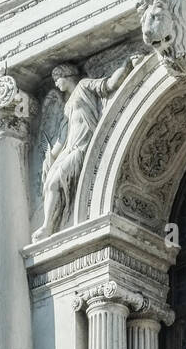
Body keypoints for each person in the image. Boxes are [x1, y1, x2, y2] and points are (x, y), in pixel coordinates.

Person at [33, 59, 134, 242]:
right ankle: (47, 224)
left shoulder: (84, 85)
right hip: (70, 148)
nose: (55, 83)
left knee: (55, 183)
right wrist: (51, 154)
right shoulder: (67, 104)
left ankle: (48, 226)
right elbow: (63, 137)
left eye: (58, 78)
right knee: (48, 184)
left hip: (82, 146)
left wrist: (126, 64)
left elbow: (108, 85)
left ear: (67, 75)